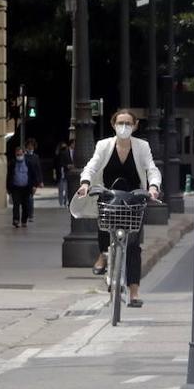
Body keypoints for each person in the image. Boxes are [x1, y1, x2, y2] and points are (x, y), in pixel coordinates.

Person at [76, 109, 161, 308]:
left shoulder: (142, 146)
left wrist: (154, 187)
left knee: (133, 246)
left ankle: (134, 293)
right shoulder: (103, 145)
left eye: (128, 123)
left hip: (133, 199)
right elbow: (92, 165)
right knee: (104, 224)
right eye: (120, 123)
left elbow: (151, 169)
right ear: (113, 125)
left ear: (135, 125)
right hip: (109, 195)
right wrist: (85, 183)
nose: (124, 127)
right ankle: (103, 255)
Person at [5, 144, 38, 228]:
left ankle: (24, 220)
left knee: (25, 205)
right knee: (16, 204)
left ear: (24, 154)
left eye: (20, 154)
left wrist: (34, 185)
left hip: (26, 187)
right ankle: (16, 220)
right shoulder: (12, 163)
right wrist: (8, 188)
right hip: (16, 187)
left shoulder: (28, 163)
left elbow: (33, 175)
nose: (19, 156)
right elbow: (9, 176)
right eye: (17, 155)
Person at [23, 138, 44, 222]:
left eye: (32, 146)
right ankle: (26, 214)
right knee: (25, 199)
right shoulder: (24, 156)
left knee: (30, 198)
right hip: (24, 180)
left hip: (32, 181)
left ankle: (30, 215)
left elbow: (38, 169)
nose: (30, 147)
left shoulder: (35, 157)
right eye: (29, 145)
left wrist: (40, 181)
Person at [54, 139, 75, 206]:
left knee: (68, 189)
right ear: (71, 144)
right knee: (63, 189)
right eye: (74, 144)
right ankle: (61, 203)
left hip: (73, 174)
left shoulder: (77, 152)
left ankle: (67, 201)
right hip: (65, 173)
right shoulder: (64, 152)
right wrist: (67, 166)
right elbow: (61, 163)